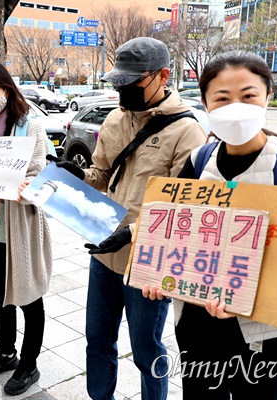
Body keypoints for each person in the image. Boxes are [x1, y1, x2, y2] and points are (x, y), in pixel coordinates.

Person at [143, 50, 277, 399]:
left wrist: (252, 301)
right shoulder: (198, 161)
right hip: (196, 324)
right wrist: (154, 270)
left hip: (262, 336)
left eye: (248, 95)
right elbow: (172, 230)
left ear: (268, 96)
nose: (235, 106)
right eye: (222, 98)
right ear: (206, 105)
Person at [52, 37, 206, 399]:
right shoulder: (115, 119)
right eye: (117, 82)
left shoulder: (188, 132)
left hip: (151, 259)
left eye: (132, 83)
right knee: (97, 339)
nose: (122, 90)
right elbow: (102, 175)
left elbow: (183, 209)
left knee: (147, 349)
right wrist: (77, 175)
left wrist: (135, 232)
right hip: (106, 250)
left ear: (162, 76)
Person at [0, 60, 52, 396]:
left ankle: (29, 364)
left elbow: (39, 172)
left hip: (19, 222)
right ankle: (5, 352)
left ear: (7, 87)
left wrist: (25, 185)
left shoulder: (30, 123)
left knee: (29, 296)